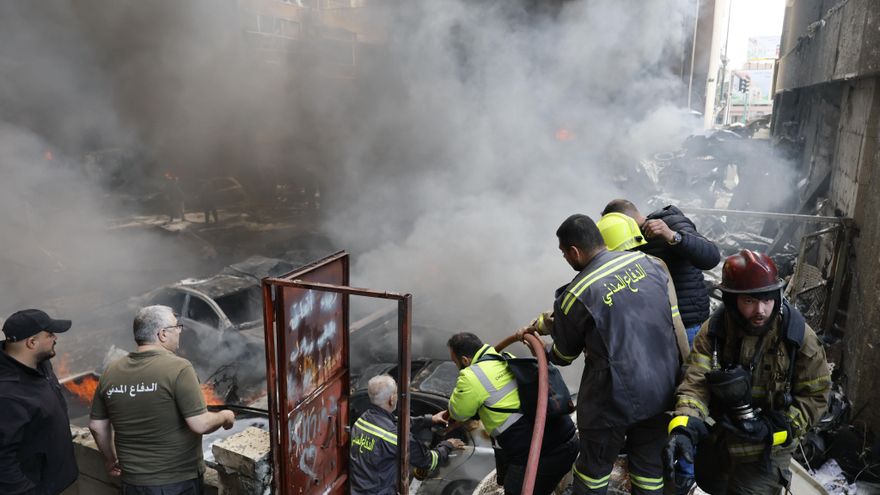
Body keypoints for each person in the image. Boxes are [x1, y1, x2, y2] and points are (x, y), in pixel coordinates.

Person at [522, 214, 688, 495]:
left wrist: (542, 348)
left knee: (593, 472)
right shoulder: (650, 264)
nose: (566, 259)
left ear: (574, 251)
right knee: (649, 471)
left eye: (564, 253)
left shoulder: (574, 296)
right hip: (662, 390)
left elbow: (564, 355)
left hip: (611, 402)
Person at [664, 250, 831, 494]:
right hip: (720, 439)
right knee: (709, 484)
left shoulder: (798, 338)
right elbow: (696, 382)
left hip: (767, 450)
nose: (761, 310)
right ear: (732, 301)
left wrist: (776, 427)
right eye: (750, 301)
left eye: (767, 300)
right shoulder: (715, 330)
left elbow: (816, 395)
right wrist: (684, 426)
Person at [89, 305, 235, 495]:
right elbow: (200, 424)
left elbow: (96, 426)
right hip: (176, 483)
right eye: (177, 327)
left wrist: (110, 460)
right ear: (163, 334)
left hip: (131, 483)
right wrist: (225, 416)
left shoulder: (111, 371)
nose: (180, 332)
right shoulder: (179, 368)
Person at [444, 332, 579, 495]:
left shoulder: (471, 376)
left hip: (540, 456)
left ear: (465, 360)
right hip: (568, 440)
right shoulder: (506, 357)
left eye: (455, 362)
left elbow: (458, 412)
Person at [601, 199, 720, 346]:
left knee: (693, 362)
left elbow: (712, 258)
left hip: (687, 323)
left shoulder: (670, 223)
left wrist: (673, 236)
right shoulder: (628, 239)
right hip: (658, 326)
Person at [0, 309, 78, 494]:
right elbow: (3, 460)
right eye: (50, 334)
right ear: (32, 342)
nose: (55, 338)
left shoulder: (40, 363)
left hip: (55, 480)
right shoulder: (7, 395)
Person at [349, 375, 464, 494]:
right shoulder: (396, 437)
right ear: (392, 399)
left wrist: (429, 420)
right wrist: (448, 445)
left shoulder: (362, 421)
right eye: (396, 393)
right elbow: (429, 461)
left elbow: (394, 423)